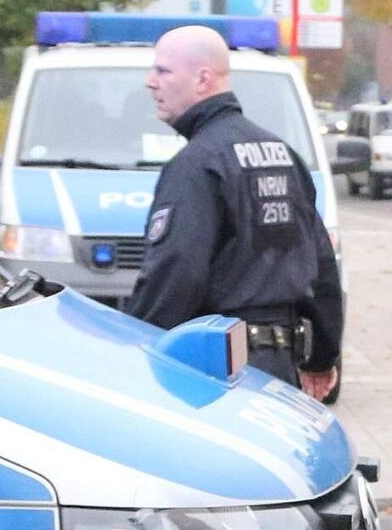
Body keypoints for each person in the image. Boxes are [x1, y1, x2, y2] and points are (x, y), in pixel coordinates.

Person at [124, 25, 341, 399]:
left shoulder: (196, 165)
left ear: (202, 79)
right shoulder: (280, 154)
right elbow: (320, 266)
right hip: (280, 368)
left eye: (163, 71)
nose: (150, 82)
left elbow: (175, 275)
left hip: (217, 370)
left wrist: (136, 355)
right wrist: (322, 355)